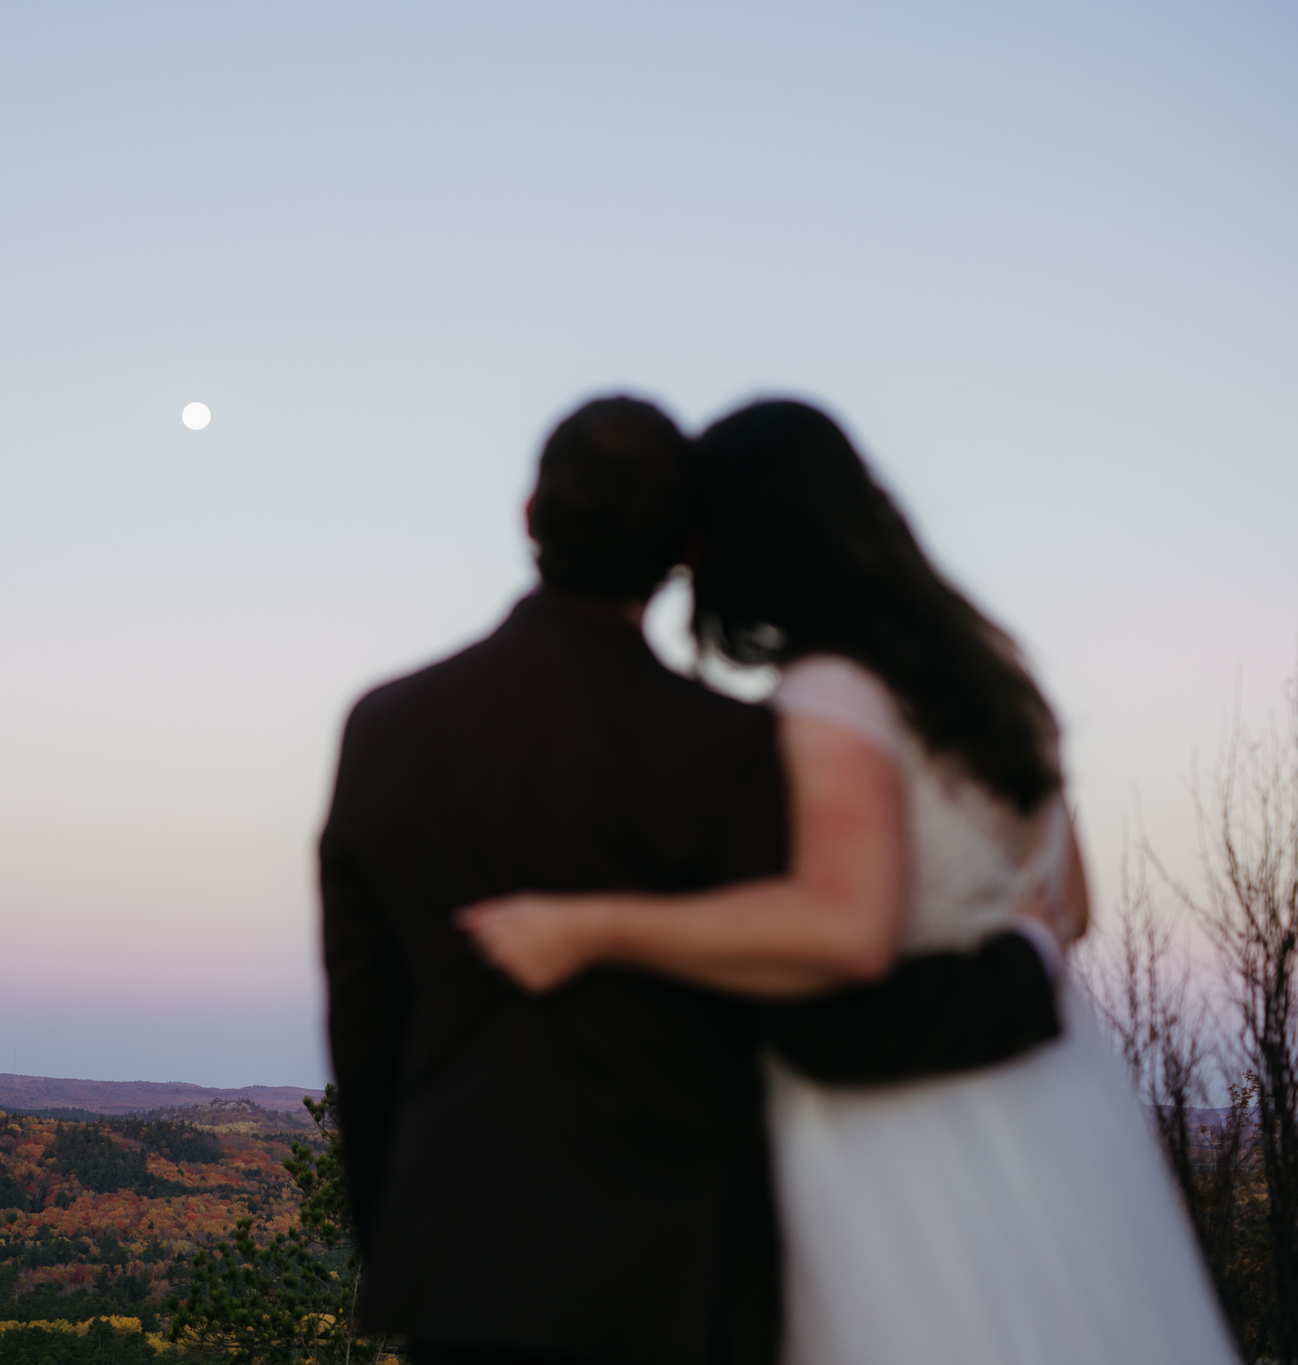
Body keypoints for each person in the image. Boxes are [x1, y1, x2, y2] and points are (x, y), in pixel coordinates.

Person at [461, 399, 1239, 1365]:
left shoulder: (828, 696)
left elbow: (845, 931)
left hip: (887, 1130)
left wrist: (592, 928)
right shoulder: (992, 669)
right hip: (1047, 1100)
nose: (688, 564)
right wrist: (1025, 949)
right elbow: (1070, 903)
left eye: (700, 536)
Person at [321, 396, 1068, 1365]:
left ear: (528, 517)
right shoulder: (728, 746)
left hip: (470, 1258)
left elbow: (363, 1017)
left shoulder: (385, 729)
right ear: (682, 551)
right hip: (684, 1267)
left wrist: (407, 1244)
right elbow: (809, 993)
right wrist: (1023, 965)